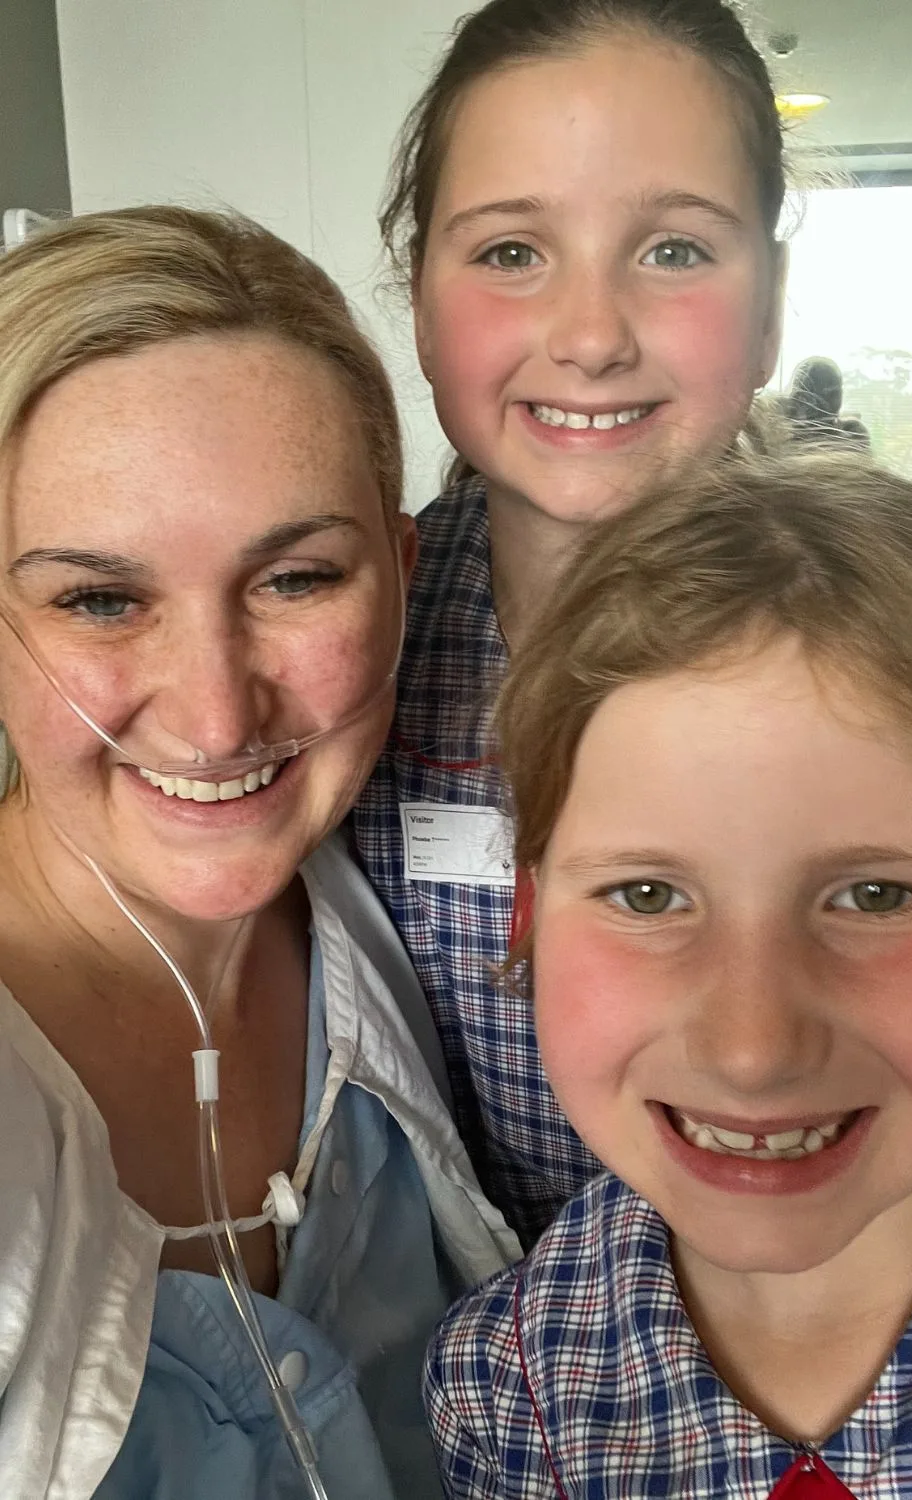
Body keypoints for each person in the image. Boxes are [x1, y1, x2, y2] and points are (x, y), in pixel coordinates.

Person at [0, 207, 517, 1500]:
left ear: (401, 573)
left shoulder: (408, 937)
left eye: (297, 580)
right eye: (100, 600)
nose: (219, 718)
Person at [424, 452, 912, 1497]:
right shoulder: (503, 1386)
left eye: (875, 896)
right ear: (530, 913)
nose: (752, 1051)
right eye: (648, 896)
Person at [354, 0, 788, 1247]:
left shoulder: (900, 661)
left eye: (673, 249)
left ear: (770, 309)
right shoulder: (348, 634)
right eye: (510, 252)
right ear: (420, 305)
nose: (592, 337)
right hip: (438, 1324)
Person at [784, 355, 871, 451]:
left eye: (837, 393)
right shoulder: (782, 435)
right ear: (801, 398)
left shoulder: (853, 434)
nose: (834, 402)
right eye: (829, 394)